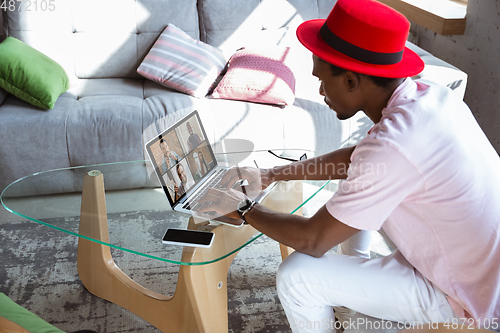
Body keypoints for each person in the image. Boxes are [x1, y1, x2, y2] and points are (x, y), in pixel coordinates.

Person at [198, 0, 500, 331]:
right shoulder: (429, 97)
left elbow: (313, 240)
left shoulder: (394, 146)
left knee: (296, 276)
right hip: (476, 268)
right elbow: (363, 158)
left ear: (351, 82)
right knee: (361, 182)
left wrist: (243, 209)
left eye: (323, 80)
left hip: (467, 301)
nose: (319, 90)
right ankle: (351, 292)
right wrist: (271, 174)